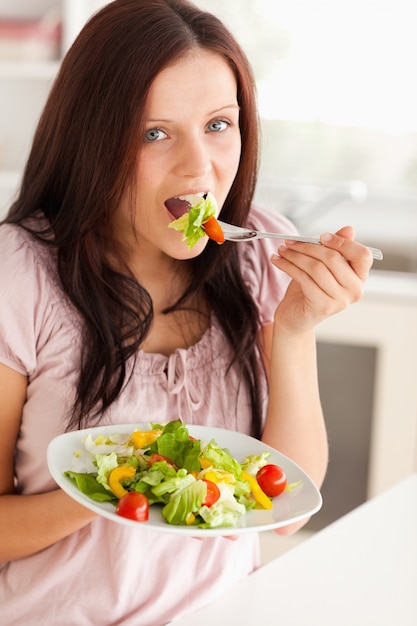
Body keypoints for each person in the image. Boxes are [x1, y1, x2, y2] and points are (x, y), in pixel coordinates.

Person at [0, 1, 373, 624]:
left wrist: (297, 328)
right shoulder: (19, 272)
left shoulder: (261, 258)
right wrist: (123, 483)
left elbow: (290, 511)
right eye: (155, 132)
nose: (199, 168)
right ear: (94, 140)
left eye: (218, 125)